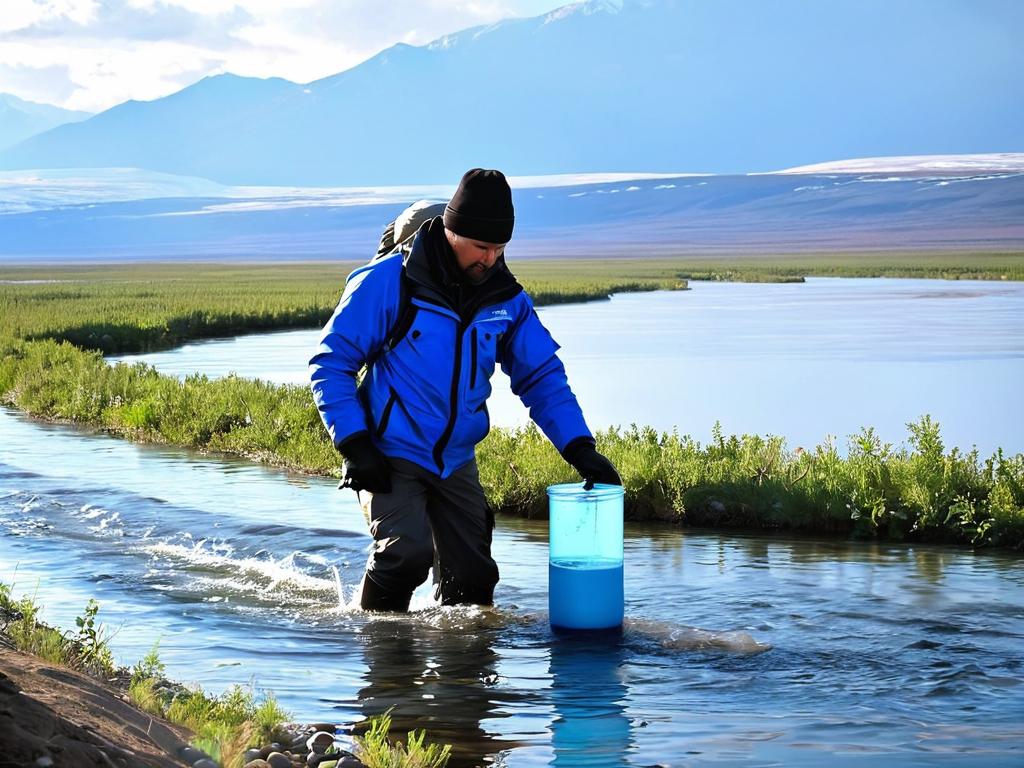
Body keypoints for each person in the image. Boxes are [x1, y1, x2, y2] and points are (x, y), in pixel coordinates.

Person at [309, 168, 621, 612]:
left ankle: (462, 676)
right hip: (387, 452)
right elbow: (330, 364)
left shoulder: (506, 298)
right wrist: (355, 443)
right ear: (452, 231)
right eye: (481, 247)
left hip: (455, 459)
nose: (491, 259)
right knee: (405, 555)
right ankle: (382, 663)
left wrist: (579, 447)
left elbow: (541, 376)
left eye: (500, 248)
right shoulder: (387, 283)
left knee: (474, 580)